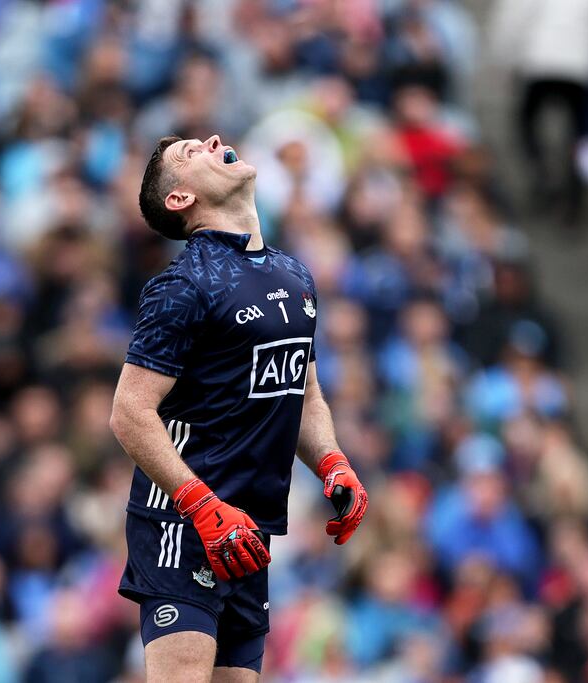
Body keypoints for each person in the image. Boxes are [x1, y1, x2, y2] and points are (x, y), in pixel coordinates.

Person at [109, 134, 369, 682]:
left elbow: (304, 392)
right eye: (189, 152)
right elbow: (130, 413)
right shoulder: (183, 284)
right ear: (180, 199)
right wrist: (202, 508)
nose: (211, 140)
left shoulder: (294, 275)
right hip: (182, 522)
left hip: (249, 531)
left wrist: (331, 461)